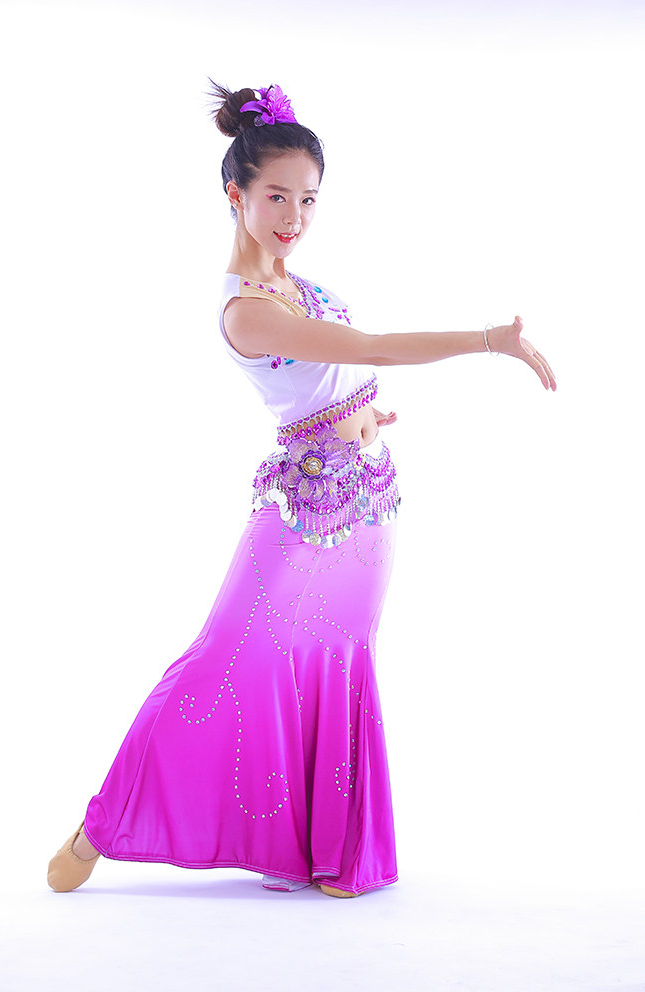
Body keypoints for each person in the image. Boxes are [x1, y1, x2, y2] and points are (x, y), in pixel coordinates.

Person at [47, 81, 556, 899]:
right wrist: (489, 340)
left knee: (340, 661)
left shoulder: (300, 284)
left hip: (371, 499)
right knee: (219, 659)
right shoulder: (246, 311)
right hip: (302, 508)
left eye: (309, 199)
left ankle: (335, 852)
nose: (294, 215)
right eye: (277, 196)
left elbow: (338, 377)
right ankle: (102, 826)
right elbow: (373, 346)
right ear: (236, 195)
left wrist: (365, 415)